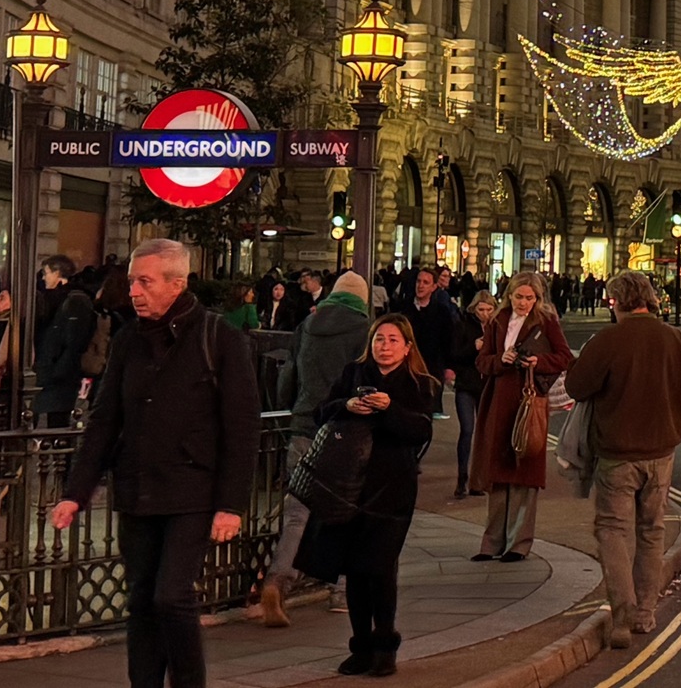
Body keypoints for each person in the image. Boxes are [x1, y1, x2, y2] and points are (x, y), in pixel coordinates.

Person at [52, 239, 258, 688]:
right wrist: (75, 492)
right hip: (137, 489)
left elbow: (242, 428)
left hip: (192, 490)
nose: (135, 292)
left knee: (172, 597)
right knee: (142, 599)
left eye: (145, 282)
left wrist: (231, 504)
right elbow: (104, 420)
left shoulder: (218, 337)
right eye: (131, 282)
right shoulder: (128, 340)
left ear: (177, 284)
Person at [565, 271, 681, 650]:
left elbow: (576, 387)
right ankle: (645, 612)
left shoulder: (609, 339)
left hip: (617, 454)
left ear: (616, 302)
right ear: (649, 298)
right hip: (661, 453)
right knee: (652, 530)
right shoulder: (674, 338)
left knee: (613, 530)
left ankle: (621, 616)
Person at [296, 314, 439, 678]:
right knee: (355, 570)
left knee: (381, 567)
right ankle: (360, 646)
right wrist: (347, 407)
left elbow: (419, 430)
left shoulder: (420, 383)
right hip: (349, 487)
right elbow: (320, 412)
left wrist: (388, 409)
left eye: (392, 340)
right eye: (379, 339)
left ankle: (385, 644)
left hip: (391, 489)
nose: (384, 346)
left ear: (407, 348)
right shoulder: (353, 374)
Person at [263, 269, 373, 626]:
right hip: (346, 431)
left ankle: (278, 581)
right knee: (346, 510)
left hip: (304, 425)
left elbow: (287, 376)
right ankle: (340, 591)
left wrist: (291, 416)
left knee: (297, 511)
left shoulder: (307, 326)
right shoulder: (364, 331)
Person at [470, 272, 572, 561]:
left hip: (529, 403)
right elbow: (482, 361)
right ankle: (491, 544)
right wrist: (500, 361)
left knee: (523, 474)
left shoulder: (546, 321)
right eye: (519, 297)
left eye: (530, 298)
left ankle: (518, 544)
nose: (524, 303)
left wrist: (539, 362)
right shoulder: (498, 320)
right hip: (498, 400)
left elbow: (564, 357)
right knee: (498, 472)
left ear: (538, 298)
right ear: (509, 295)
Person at [34, 257, 98, 427]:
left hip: (61, 373)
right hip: (52, 369)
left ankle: (59, 451)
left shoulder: (74, 300)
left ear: (57, 273)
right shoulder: (53, 299)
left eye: (45, 273)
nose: (43, 278)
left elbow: (74, 340)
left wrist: (60, 369)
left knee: (58, 420)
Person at [447, 291, 497, 498]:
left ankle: (479, 481)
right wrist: (473, 347)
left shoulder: (498, 328)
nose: (484, 314)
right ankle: (462, 478)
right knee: (467, 430)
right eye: (481, 309)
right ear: (473, 309)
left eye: (488, 309)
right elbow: (454, 353)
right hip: (467, 384)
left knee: (485, 434)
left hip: (487, 384)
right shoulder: (464, 325)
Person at [404, 270, 456, 412]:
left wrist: (449, 367)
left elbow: (448, 340)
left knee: (428, 411)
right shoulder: (403, 308)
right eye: (418, 281)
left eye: (425, 282)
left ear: (434, 287)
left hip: (432, 368)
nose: (420, 286)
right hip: (406, 367)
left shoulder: (441, 312)